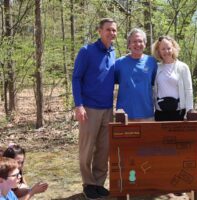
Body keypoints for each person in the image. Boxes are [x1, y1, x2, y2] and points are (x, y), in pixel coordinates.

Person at [72, 18, 117, 199]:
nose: (111, 33)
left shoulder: (113, 53)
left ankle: (99, 183)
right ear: (100, 31)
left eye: (114, 30)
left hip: (108, 109)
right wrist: (79, 105)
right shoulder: (86, 51)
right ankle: (88, 184)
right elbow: (76, 78)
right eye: (108, 30)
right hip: (89, 108)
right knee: (87, 149)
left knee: (104, 149)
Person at [115, 28, 158, 121]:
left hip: (147, 114)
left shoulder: (152, 62)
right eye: (134, 41)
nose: (138, 44)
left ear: (145, 44)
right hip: (124, 115)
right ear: (129, 44)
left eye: (140, 41)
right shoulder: (119, 63)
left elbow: (157, 85)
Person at [152, 36, 193, 121]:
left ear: (173, 48)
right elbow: (153, 91)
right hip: (160, 113)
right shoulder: (156, 68)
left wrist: (189, 111)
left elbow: (188, 91)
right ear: (158, 51)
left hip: (179, 113)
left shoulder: (183, 67)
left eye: (168, 48)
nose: (166, 51)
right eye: (163, 49)